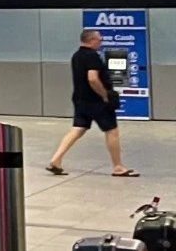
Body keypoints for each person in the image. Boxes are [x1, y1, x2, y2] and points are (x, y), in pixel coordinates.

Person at [46, 29, 139, 177]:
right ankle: (118, 167)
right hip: (96, 101)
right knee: (111, 130)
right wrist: (105, 95)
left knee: (78, 128)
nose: (100, 42)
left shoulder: (76, 56)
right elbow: (92, 78)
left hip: (80, 99)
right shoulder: (92, 56)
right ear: (91, 40)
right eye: (99, 40)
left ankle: (55, 160)